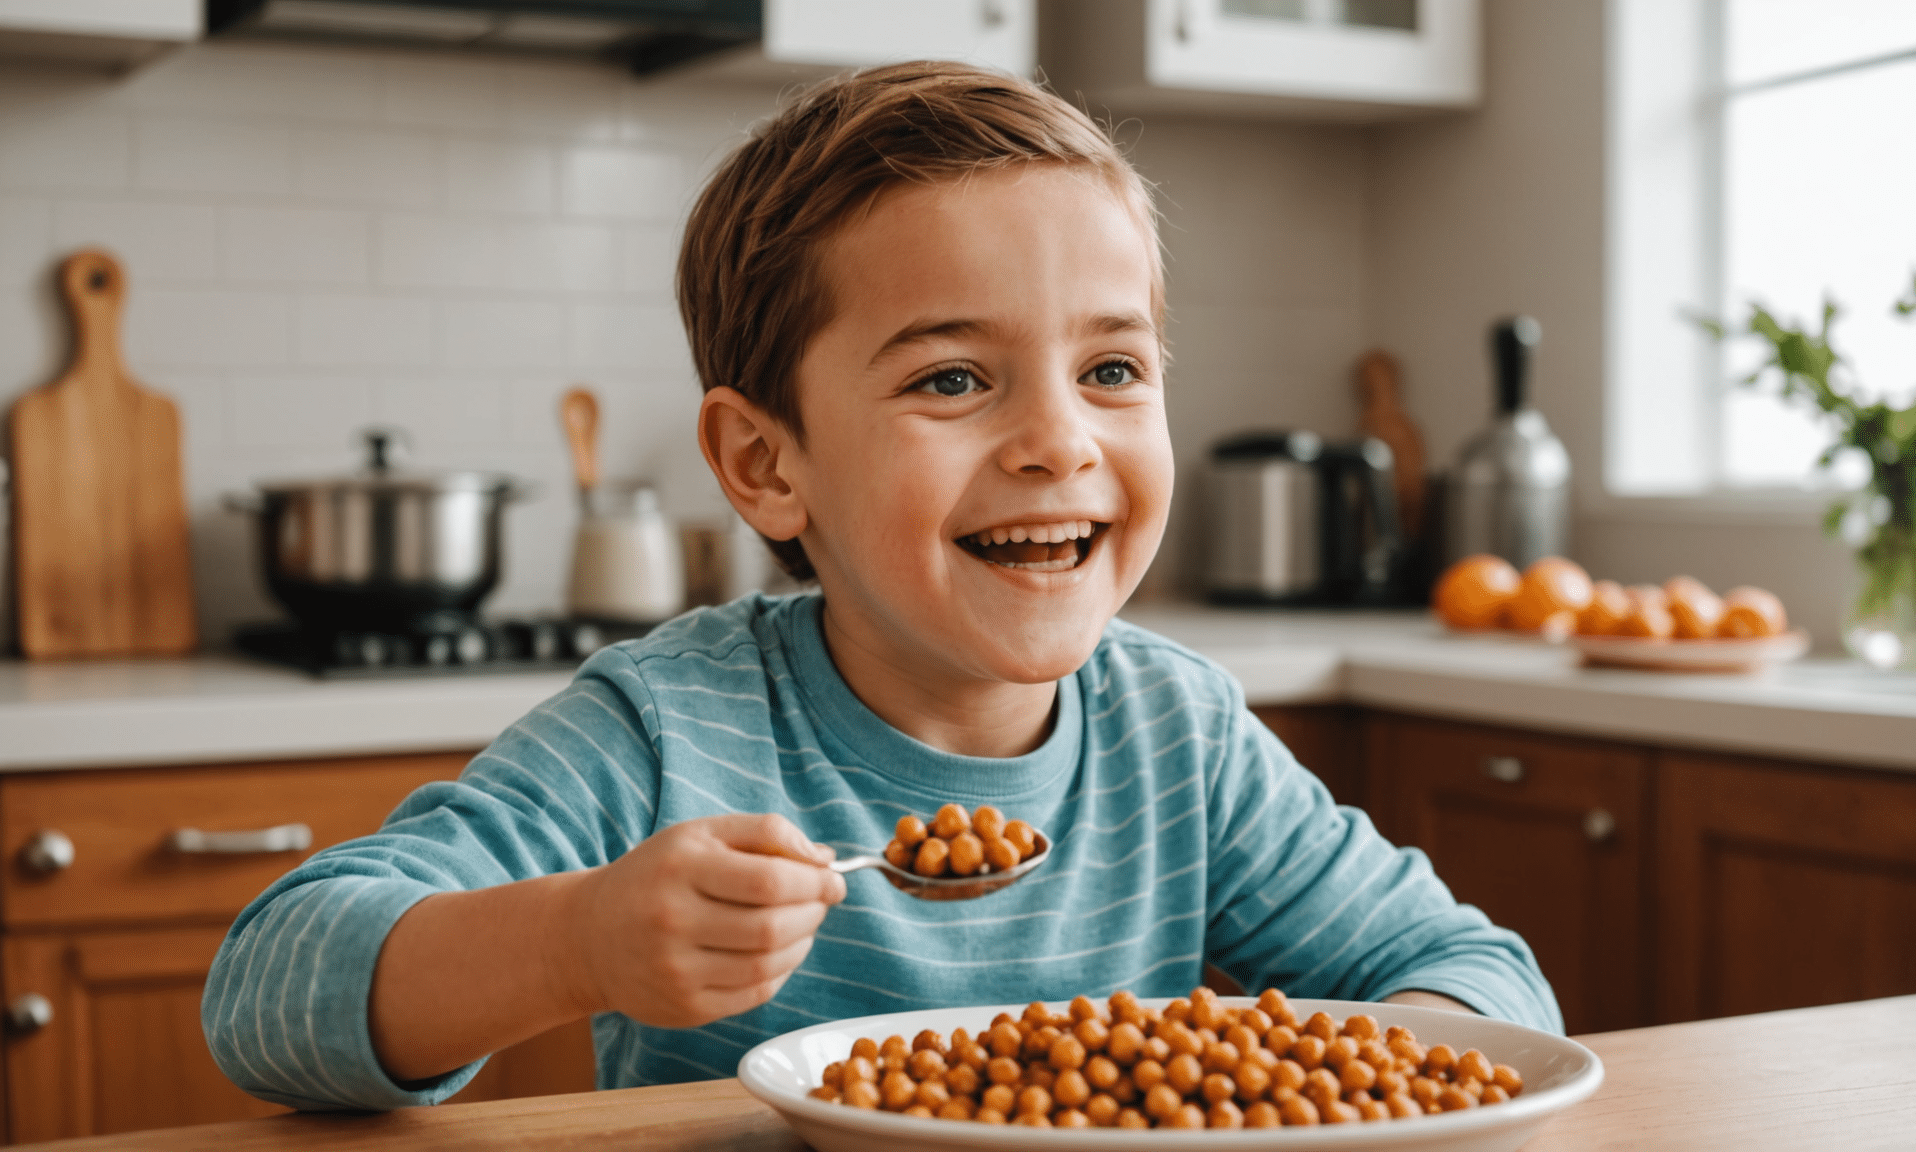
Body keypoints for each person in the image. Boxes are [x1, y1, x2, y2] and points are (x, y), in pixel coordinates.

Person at [202, 61, 1559, 1111]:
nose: (1059, 441)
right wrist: (576, 941)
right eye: (953, 380)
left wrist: (1272, 1078)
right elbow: (264, 989)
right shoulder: (672, 730)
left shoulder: (1178, 737)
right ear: (765, 463)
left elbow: (1493, 989)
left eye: (1112, 371)